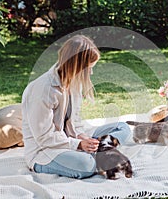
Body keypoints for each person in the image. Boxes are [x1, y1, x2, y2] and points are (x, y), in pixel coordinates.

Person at [22, 35, 131, 179]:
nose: (91, 73)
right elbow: (44, 138)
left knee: (122, 127)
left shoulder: (73, 81)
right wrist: (79, 144)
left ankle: (101, 149)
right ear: (76, 66)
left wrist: (83, 137)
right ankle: (102, 153)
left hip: (71, 139)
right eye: (88, 68)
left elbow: (75, 121)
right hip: (46, 150)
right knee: (87, 165)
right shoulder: (42, 90)